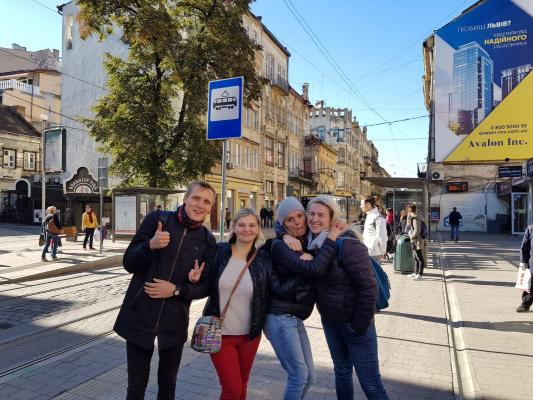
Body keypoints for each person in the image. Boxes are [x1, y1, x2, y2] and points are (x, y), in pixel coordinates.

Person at [113, 181, 217, 400]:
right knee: (136, 388)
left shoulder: (207, 240)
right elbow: (129, 263)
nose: (200, 205)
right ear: (185, 199)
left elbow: (205, 287)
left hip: (174, 322)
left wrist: (178, 289)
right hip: (140, 315)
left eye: (206, 201)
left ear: (210, 208)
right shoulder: (158, 220)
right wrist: (150, 246)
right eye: (196, 198)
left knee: (168, 386)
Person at [304, 195, 389, 400]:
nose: (314, 219)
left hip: (355, 324)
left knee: (371, 383)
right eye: (311, 214)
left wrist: (358, 325)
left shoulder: (348, 244)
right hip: (331, 322)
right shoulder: (313, 243)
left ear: (332, 218)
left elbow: (368, 288)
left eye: (321, 215)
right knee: (341, 372)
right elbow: (286, 224)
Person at [266, 196, 345, 399]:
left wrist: (284, 234)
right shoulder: (280, 245)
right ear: (283, 223)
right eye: (290, 220)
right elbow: (315, 269)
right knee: (299, 376)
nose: (298, 222)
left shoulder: (305, 239)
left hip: (294, 317)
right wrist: (331, 238)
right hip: (280, 317)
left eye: (300, 216)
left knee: (309, 378)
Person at [200, 208, 271, 399]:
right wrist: (194, 279)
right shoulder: (219, 251)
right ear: (233, 227)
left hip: (250, 336)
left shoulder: (264, 258)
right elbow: (203, 285)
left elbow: (275, 289)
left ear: (258, 228)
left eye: (252, 225)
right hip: (219, 334)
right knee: (231, 389)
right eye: (242, 225)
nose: (247, 229)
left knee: (242, 387)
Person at [361, 197, 388, 265]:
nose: (360, 206)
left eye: (362, 204)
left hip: (374, 253)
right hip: (368, 250)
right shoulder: (369, 216)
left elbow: (382, 237)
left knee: (374, 271)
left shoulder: (378, 218)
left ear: (368, 204)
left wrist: (382, 252)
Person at [406, 203, 426, 281]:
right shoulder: (416, 217)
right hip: (416, 240)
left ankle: (420, 274)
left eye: (408, 209)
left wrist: (411, 236)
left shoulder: (415, 219)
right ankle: (416, 272)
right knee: (416, 257)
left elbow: (417, 231)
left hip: (417, 241)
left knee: (419, 258)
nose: (407, 211)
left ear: (410, 210)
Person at [517, 224, 533, 312]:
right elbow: (524, 248)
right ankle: (525, 304)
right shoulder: (531, 229)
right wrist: (523, 262)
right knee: (530, 286)